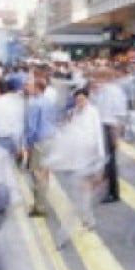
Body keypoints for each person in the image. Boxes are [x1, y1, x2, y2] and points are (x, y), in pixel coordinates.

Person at [48, 88, 105, 247]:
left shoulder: (93, 113)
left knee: (76, 200)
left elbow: (98, 137)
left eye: (81, 99)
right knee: (82, 196)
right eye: (76, 99)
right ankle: (89, 220)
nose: (79, 102)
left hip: (89, 162)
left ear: (87, 99)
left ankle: (62, 236)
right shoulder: (73, 113)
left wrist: (100, 163)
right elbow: (66, 137)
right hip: (75, 163)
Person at [92, 69, 127, 203]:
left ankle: (113, 193)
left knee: (111, 161)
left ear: (104, 77)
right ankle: (106, 182)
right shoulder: (101, 90)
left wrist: (116, 134)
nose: (94, 80)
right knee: (106, 159)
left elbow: (120, 114)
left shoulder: (114, 92)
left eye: (97, 77)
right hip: (103, 126)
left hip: (110, 127)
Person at [24, 77, 57, 218]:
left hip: (39, 141)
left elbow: (31, 128)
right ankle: (41, 201)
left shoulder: (34, 103)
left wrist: (28, 144)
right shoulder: (48, 101)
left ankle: (40, 206)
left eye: (29, 85)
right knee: (45, 172)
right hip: (50, 137)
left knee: (37, 174)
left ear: (37, 88)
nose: (26, 87)